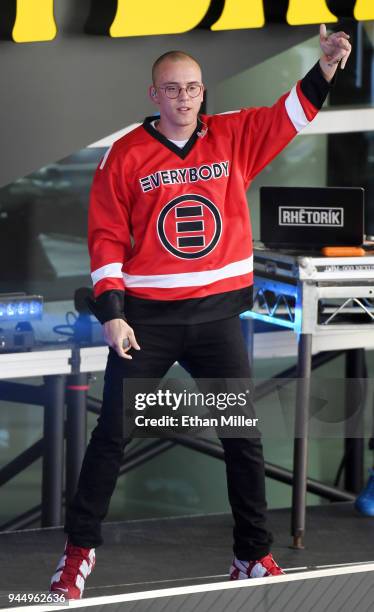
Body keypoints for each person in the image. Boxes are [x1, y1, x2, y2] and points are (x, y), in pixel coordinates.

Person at [50, 24, 351, 598]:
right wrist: (113, 312)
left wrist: (328, 65)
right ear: (154, 95)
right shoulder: (126, 155)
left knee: (244, 440)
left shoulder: (233, 136)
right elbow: (106, 237)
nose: (183, 98)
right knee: (111, 438)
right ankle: (75, 557)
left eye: (191, 88)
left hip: (215, 320)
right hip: (149, 323)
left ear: (203, 91)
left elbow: (292, 112)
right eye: (172, 88)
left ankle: (252, 555)